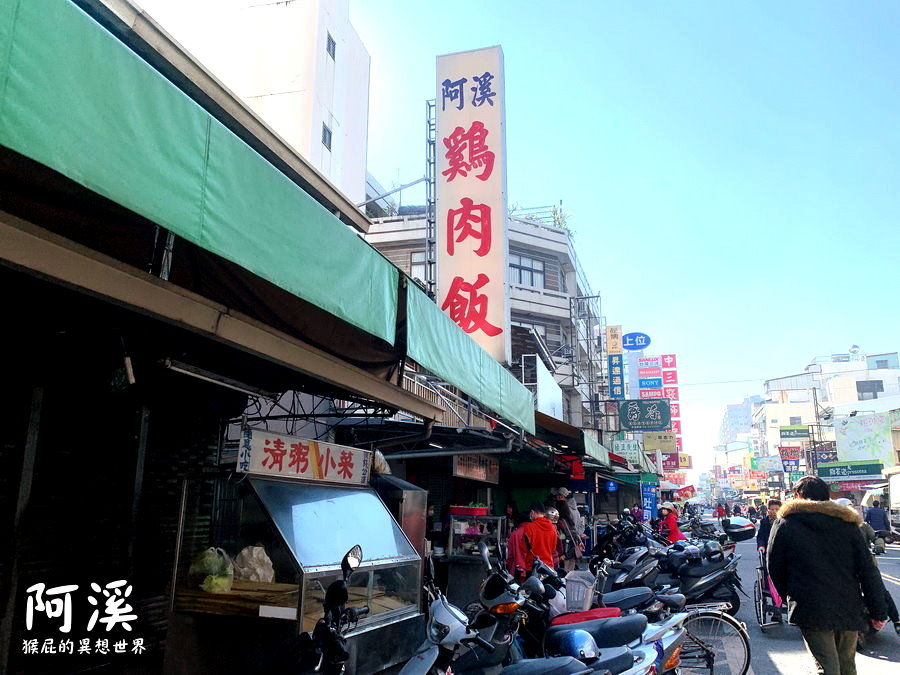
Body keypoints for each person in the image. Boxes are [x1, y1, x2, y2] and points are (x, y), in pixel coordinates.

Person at [768, 477, 888, 675]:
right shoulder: (847, 523)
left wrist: (792, 595)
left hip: (810, 605)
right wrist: (878, 611)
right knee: (847, 665)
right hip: (848, 604)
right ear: (827, 496)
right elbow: (868, 570)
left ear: (798, 495)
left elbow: (775, 567)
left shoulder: (787, 523)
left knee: (828, 667)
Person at [521, 502, 558, 568]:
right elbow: (553, 549)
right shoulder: (552, 527)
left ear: (532, 512)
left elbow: (523, 548)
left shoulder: (529, 527)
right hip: (548, 566)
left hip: (533, 566)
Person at [505, 512, 530, 580]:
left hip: (518, 570)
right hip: (533, 570)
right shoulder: (534, 531)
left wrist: (510, 568)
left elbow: (510, 555)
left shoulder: (514, 534)